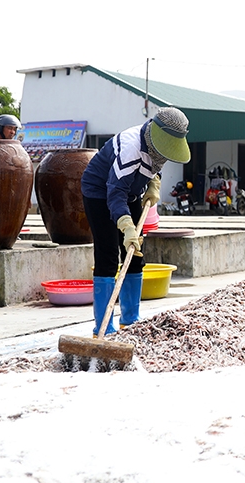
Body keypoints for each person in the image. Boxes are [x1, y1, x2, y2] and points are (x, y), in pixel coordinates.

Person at [80, 107, 190, 334]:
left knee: (135, 252)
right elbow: (115, 193)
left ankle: (130, 319)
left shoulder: (161, 146)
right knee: (108, 255)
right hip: (100, 192)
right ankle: (104, 326)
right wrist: (127, 225)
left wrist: (152, 183)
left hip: (129, 192)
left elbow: (154, 166)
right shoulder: (131, 148)